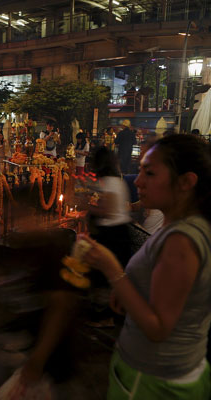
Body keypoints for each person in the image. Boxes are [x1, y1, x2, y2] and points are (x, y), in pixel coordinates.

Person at [82, 134, 211, 399]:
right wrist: (131, 288)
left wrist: (112, 269)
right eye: (139, 171)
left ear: (186, 182)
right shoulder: (179, 226)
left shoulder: (181, 242)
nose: (138, 182)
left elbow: (158, 328)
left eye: (149, 173)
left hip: (153, 382)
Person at [88, 146, 132, 269]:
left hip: (112, 236)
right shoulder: (117, 180)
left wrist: (85, 206)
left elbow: (107, 211)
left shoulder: (109, 182)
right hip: (119, 233)